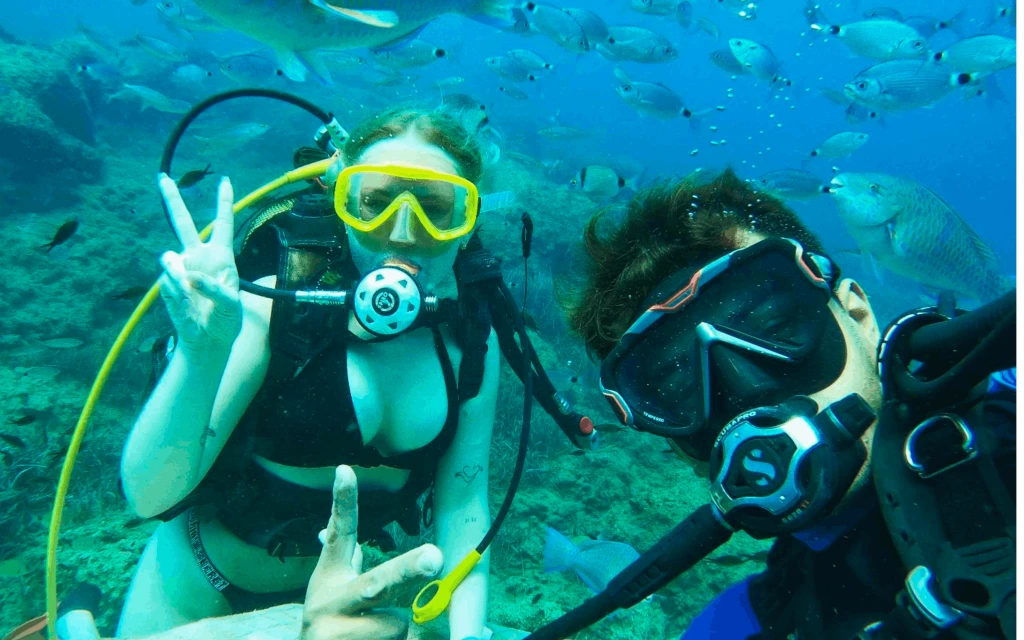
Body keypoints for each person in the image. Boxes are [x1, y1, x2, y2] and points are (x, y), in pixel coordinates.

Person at [562, 168, 1015, 639]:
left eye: (775, 324)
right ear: (680, 450)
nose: (749, 390)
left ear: (859, 316)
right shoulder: (732, 629)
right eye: (680, 385)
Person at [118, 109, 503, 640]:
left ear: (467, 224)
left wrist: (467, 633)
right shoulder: (270, 311)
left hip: (337, 612)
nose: (404, 231)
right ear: (343, 205)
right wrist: (200, 353)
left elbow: (463, 506)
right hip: (192, 589)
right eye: (376, 202)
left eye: (435, 208)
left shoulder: (472, 347)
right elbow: (148, 498)